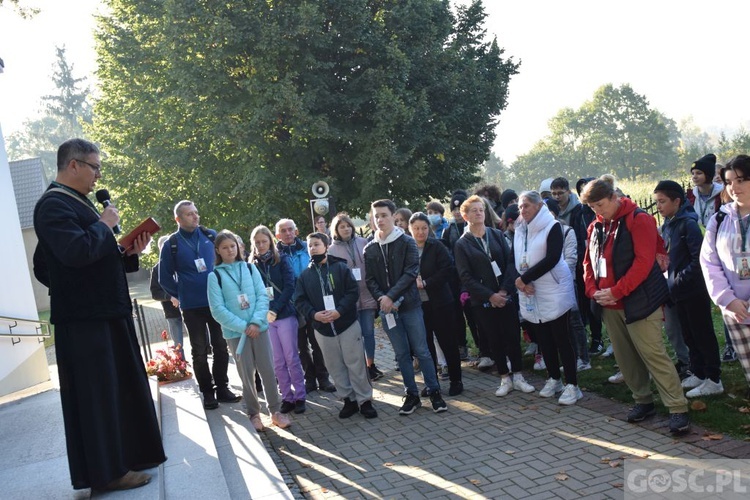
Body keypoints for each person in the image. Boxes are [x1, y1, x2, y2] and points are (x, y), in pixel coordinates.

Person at [33, 138, 166, 491]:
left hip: (105, 311)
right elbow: (74, 253)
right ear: (73, 165)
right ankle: (108, 473)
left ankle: (132, 456)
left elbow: (83, 258)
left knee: (120, 388)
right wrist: (105, 225)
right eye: (94, 167)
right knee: (99, 396)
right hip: (85, 320)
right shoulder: (52, 206)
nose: (98, 175)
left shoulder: (79, 203)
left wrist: (127, 251)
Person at [582, 175, 690, 434]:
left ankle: (677, 408)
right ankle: (643, 401)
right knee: (626, 357)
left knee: (653, 354)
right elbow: (588, 263)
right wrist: (593, 291)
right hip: (610, 303)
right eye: (592, 207)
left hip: (640, 301)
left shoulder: (639, 219)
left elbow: (643, 263)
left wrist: (617, 291)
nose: (597, 211)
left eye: (600, 205)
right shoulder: (595, 226)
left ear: (614, 197)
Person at [364, 199, 448, 415]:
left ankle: (434, 390)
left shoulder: (407, 242)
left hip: (410, 306)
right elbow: (371, 280)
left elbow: (411, 272)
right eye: (377, 216)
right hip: (387, 310)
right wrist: (384, 300)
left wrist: (391, 296)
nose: (380, 219)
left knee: (422, 350)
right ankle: (411, 394)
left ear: (393, 216)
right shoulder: (369, 248)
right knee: (402, 355)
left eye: (384, 215)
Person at [159, 200, 240, 410]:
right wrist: (182, 293)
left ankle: (223, 388)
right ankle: (207, 392)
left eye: (196, 212)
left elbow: (225, 263)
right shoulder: (171, 244)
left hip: (216, 303)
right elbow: (164, 277)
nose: (195, 217)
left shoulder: (210, 236)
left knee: (221, 346)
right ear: (178, 219)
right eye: (189, 214)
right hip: (191, 307)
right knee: (199, 350)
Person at [207, 231, 291, 431]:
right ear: (218, 250)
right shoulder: (215, 276)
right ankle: (254, 413)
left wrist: (254, 322)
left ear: (238, 247)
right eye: (225, 247)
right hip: (237, 334)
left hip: (259, 329)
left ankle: (276, 411)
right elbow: (217, 309)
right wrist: (243, 327)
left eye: (233, 246)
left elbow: (262, 297)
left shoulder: (250, 268)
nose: (230, 250)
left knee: (268, 370)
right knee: (246, 374)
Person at [453, 195, 535, 398]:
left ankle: (518, 376)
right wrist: (490, 296)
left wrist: (504, 291)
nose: (479, 213)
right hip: (483, 302)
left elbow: (510, 262)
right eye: (474, 210)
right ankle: (505, 378)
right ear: (465, 215)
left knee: (512, 336)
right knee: (494, 339)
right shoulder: (462, 244)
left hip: (505, 296)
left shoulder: (495, 235)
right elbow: (465, 276)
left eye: (481, 209)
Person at [294, 232, 378, 419]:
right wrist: (314, 314)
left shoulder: (340, 267)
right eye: (310, 245)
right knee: (335, 366)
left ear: (326, 246)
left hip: (346, 324)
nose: (313, 248)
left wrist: (339, 310)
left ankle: (365, 400)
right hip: (322, 329)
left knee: (355, 363)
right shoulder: (305, 275)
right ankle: (348, 400)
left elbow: (352, 292)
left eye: (316, 244)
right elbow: (299, 300)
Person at [653, 181, 722, 397]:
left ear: (677, 201)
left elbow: (698, 259)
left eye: (662, 201)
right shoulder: (669, 223)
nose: (658, 207)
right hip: (677, 291)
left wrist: (679, 280)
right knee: (689, 334)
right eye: (656, 202)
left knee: (703, 334)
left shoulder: (688, 224)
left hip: (693, 290)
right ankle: (698, 372)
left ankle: (714, 378)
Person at [513, 192, 581, 405]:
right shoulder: (520, 229)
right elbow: (515, 257)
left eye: (527, 206)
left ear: (539, 205)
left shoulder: (552, 226)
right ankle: (554, 379)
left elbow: (552, 258)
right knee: (544, 339)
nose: (523, 210)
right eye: (520, 207)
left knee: (562, 338)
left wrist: (525, 278)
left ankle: (573, 385)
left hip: (553, 289)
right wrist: (523, 281)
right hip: (532, 291)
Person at [700, 155, 750, 398]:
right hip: (734, 309)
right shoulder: (720, 218)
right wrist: (726, 299)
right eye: (729, 181)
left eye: (741, 180)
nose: (734, 187)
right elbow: (709, 261)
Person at [251, 225, 307, 414]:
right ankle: (287, 397)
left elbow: (290, 286)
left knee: (292, 357)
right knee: (277, 360)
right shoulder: (251, 265)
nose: (260, 245)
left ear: (270, 241)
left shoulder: (281, 260)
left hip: (284, 314)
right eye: (257, 242)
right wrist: (264, 313)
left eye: (264, 241)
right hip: (265, 318)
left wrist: (274, 309)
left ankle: (300, 395)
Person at [275, 218, 336, 393]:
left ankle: (323, 378)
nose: (287, 233)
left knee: (318, 343)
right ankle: (309, 379)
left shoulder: (307, 248)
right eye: (283, 231)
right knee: (301, 346)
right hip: (290, 306)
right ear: (277, 235)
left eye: (290, 229)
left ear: (296, 231)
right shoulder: (276, 255)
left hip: (313, 304)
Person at [409, 212, 464, 396]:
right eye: (416, 228)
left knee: (447, 342)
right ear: (410, 229)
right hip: (418, 305)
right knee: (425, 346)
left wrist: (426, 282)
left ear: (429, 229)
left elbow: (448, 270)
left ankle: (456, 380)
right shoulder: (407, 248)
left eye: (424, 228)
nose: (420, 232)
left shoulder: (437, 246)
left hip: (441, 303)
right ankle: (432, 384)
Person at [328, 213, 383, 380]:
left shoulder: (363, 242)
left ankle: (371, 365)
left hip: (367, 295)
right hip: (348, 300)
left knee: (368, 332)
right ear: (336, 230)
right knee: (355, 336)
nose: (346, 229)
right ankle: (359, 368)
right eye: (342, 226)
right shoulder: (331, 250)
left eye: (348, 226)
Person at [150, 235, 185, 359]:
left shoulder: (182, 261)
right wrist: (170, 297)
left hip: (189, 308)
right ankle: (182, 366)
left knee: (200, 339)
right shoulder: (156, 269)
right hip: (172, 312)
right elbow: (155, 293)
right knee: (178, 343)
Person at [687, 153, 723, 228]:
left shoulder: (722, 194)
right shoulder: (690, 196)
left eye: (699, 173)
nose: (694, 177)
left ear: (708, 175)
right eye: (693, 173)